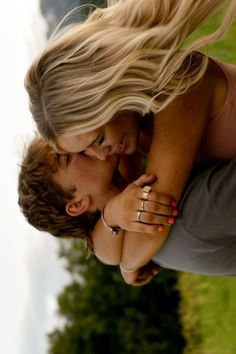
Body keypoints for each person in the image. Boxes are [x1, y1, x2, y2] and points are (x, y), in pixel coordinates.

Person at [25, 0, 236, 244]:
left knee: (175, 240)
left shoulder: (172, 92)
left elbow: (142, 245)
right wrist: (111, 218)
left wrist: (112, 221)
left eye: (99, 139)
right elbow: (111, 245)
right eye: (85, 150)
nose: (101, 156)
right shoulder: (136, 131)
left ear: (111, 100)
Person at [18, 137, 236, 286]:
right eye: (66, 157)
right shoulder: (167, 215)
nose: (79, 144)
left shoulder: (150, 231)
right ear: (76, 204)